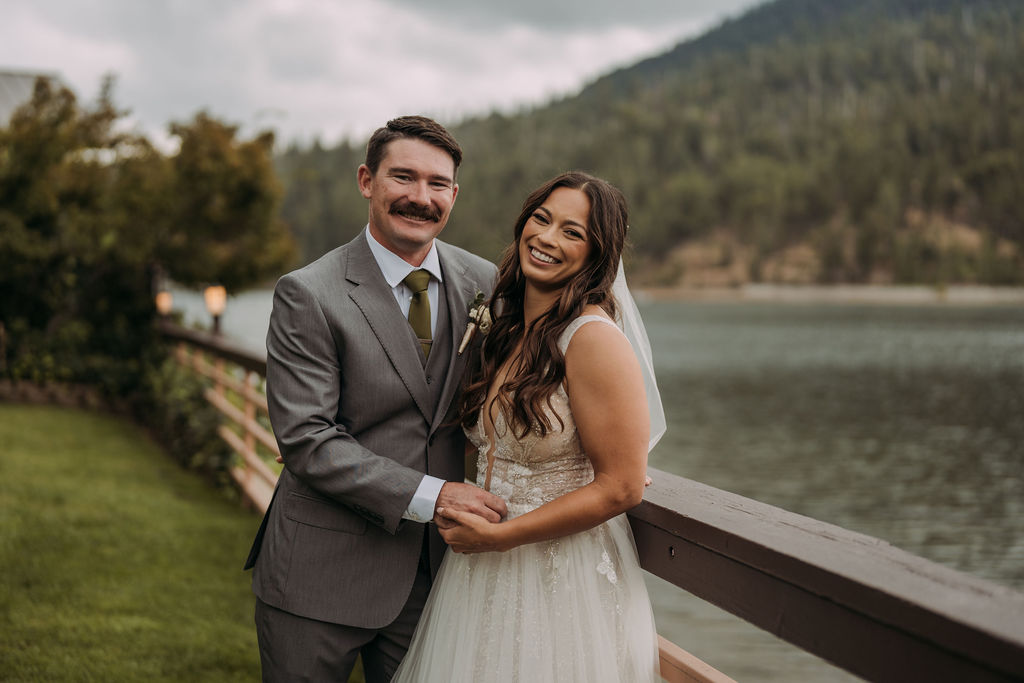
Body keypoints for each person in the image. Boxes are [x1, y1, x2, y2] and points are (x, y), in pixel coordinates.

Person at [243, 115, 508, 682]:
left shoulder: (484, 281)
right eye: (403, 178)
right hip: (319, 574)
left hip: (436, 576)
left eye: (438, 184)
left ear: (454, 195)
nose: (421, 197)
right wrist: (435, 495)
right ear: (367, 181)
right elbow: (307, 441)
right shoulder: (309, 293)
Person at [392, 171, 662, 682]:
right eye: (542, 218)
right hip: (480, 567)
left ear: (597, 255)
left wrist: (505, 536)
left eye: (572, 232)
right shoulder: (509, 328)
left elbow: (623, 485)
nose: (547, 238)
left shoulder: (593, 339)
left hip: (557, 576)